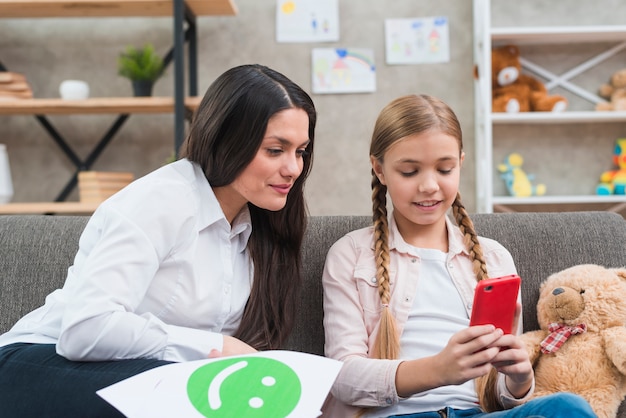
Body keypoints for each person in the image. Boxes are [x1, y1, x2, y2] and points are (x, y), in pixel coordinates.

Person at [0, 64, 316, 417]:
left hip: (151, 375)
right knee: (178, 400)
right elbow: (85, 330)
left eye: (300, 151)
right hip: (36, 362)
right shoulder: (162, 199)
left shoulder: (260, 229)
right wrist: (216, 346)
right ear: (228, 141)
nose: (293, 168)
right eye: (276, 150)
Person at [321, 94, 595, 418]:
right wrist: (438, 369)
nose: (429, 186)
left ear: (460, 164)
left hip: (474, 414)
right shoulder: (350, 255)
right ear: (379, 169)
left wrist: (519, 379)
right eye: (409, 172)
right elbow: (343, 378)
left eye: (445, 169)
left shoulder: (493, 259)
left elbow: (500, 395)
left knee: (567, 408)